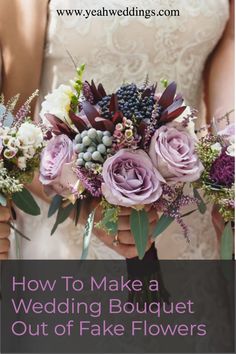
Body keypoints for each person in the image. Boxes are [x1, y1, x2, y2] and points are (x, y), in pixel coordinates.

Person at [0, 0, 234, 259]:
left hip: (188, 212)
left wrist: (228, 166)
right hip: (74, 221)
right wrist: (87, 207)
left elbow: (230, 43)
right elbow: (12, 133)